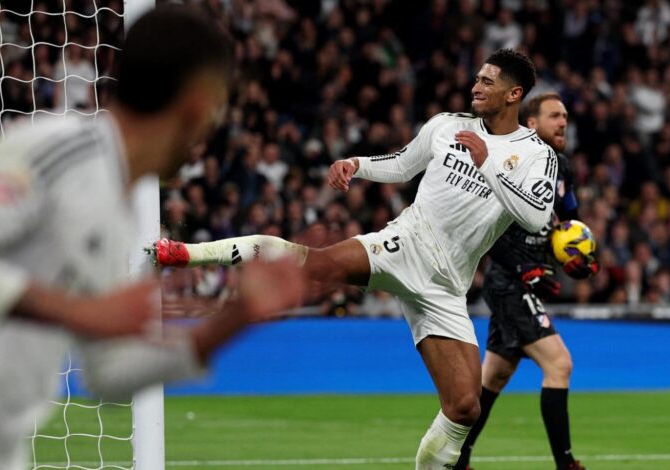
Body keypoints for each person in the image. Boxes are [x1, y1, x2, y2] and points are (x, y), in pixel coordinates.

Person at [155, 48, 557, 469]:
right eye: (476, 78)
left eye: (487, 82)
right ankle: (184, 253)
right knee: (317, 264)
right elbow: (403, 164)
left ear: (513, 94)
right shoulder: (447, 126)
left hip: (447, 287)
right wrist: (357, 164)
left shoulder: (536, 155)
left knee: (464, 408)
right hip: (406, 246)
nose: (475, 86)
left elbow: (534, 217)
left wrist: (487, 162)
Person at [0, 6, 303, 469]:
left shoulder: (118, 213)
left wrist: (230, 322)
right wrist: (80, 312)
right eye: (220, 102)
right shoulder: (57, 151)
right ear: (198, 101)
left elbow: (108, 375)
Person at [455, 93, 597, 470]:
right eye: (554, 116)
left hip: (526, 281)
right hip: (508, 280)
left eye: (566, 115)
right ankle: (565, 463)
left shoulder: (562, 168)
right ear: (531, 123)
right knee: (559, 364)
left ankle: (457, 456)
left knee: (496, 376)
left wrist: (576, 258)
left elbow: (568, 225)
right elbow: (489, 230)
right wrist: (524, 270)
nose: (563, 122)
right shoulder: (514, 162)